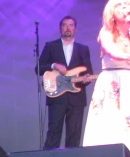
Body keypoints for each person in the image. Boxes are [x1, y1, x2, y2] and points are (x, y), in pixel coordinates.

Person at [82, 0, 130, 157]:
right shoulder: (106, 32)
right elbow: (111, 50)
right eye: (119, 4)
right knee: (109, 122)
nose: (124, 7)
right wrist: (126, 55)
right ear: (111, 11)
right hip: (111, 81)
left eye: (126, 4)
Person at [37, 16, 94, 149]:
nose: (68, 28)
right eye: (64, 25)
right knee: (53, 133)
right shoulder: (51, 46)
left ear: (75, 29)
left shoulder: (83, 49)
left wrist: (86, 80)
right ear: (60, 28)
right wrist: (53, 65)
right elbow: (38, 68)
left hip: (76, 98)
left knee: (74, 135)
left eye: (71, 25)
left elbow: (88, 72)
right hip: (56, 97)